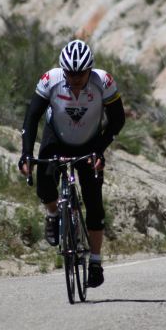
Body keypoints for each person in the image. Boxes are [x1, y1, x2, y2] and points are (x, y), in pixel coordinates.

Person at [18, 39, 125, 288]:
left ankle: (96, 262)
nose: (75, 78)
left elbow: (118, 120)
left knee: (94, 205)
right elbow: (31, 119)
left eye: (81, 73)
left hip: (90, 143)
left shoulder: (103, 82)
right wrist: (25, 154)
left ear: (90, 69)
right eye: (70, 73)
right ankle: (54, 214)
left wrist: (100, 150)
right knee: (44, 186)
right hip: (56, 137)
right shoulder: (50, 79)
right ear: (63, 70)